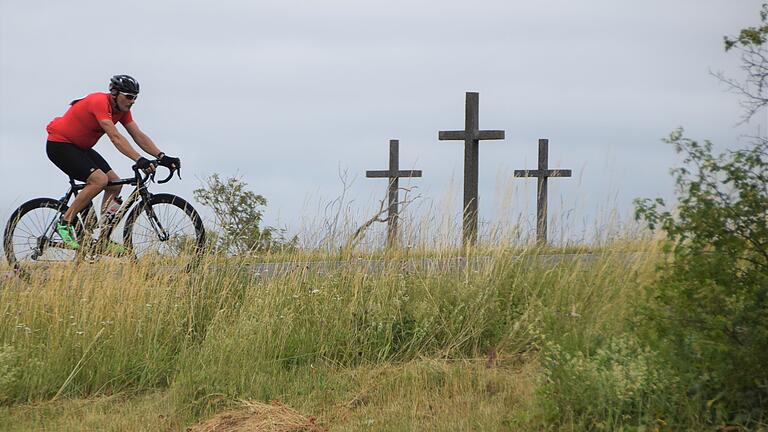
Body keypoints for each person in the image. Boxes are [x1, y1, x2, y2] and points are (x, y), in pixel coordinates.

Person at [46, 74, 180, 250]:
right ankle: (65, 222)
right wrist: (139, 159)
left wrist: (162, 156)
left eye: (135, 98)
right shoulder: (99, 102)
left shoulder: (122, 111)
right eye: (129, 96)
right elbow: (115, 137)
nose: (132, 101)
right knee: (100, 180)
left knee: (115, 184)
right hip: (60, 144)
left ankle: (102, 238)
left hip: (81, 148)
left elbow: (138, 135)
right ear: (115, 93)